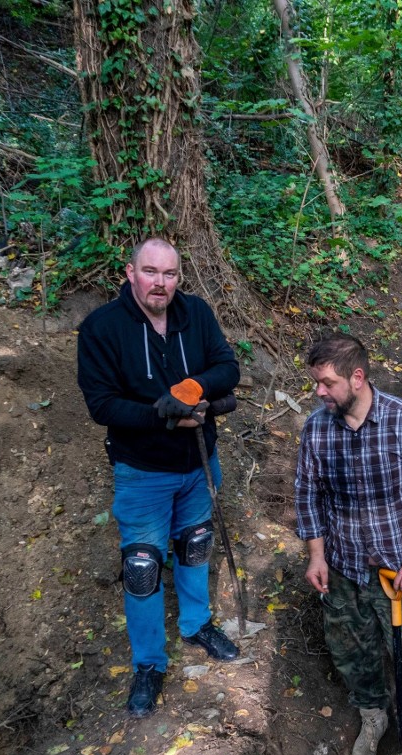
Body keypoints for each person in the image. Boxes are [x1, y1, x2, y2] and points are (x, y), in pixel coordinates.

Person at [77, 237, 241, 718]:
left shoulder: (197, 314)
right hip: (143, 470)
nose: (160, 283)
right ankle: (148, 663)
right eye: (151, 272)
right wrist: (164, 414)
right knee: (144, 567)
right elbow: (100, 404)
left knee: (195, 543)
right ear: (131, 272)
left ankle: (196, 624)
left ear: (178, 277)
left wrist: (194, 389)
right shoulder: (102, 328)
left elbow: (226, 366)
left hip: (198, 461)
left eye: (169, 274)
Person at [294, 333, 402, 755]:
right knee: (353, 652)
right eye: (316, 383)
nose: (318, 392)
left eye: (327, 383)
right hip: (344, 571)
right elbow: (308, 496)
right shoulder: (316, 428)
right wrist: (317, 555)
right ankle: (373, 715)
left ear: (357, 378)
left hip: (401, 570)